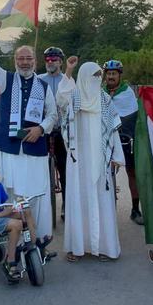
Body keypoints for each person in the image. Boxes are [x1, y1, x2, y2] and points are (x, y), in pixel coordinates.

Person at [0, 19, 58, 249]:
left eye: (28, 58)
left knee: (36, 194)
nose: (25, 62)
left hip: (34, 149)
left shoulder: (43, 86)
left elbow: (53, 115)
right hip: (9, 149)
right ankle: (13, 241)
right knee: (10, 193)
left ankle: (38, 240)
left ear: (35, 61)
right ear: (15, 61)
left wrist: (40, 128)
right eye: (20, 59)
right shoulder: (5, 80)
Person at [57, 58, 123, 262]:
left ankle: (104, 247)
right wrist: (69, 70)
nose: (96, 79)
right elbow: (61, 98)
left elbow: (113, 130)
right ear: (84, 77)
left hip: (100, 159)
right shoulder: (74, 98)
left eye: (98, 76)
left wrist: (116, 156)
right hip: (78, 161)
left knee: (102, 200)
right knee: (78, 199)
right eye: (92, 76)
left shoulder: (105, 100)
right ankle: (77, 247)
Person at [101, 60, 142, 225]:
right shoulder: (100, 93)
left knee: (132, 173)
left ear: (119, 75)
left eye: (114, 74)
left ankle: (135, 210)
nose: (111, 77)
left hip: (125, 138)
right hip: (106, 140)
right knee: (104, 174)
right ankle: (106, 210)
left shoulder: (127, 93)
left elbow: (132, 115)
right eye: (108, 74)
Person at [38, 46, 68, 220]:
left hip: (62, 130)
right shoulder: (39, 80)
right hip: (43, 130)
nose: (50, 62)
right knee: (41, 169)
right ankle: (43, 206)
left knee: (64, 168)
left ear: (61, 62)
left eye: (54, 59)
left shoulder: (67, 80)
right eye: (48, 60)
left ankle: (66, 203)